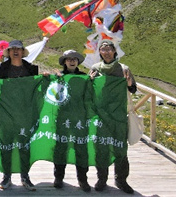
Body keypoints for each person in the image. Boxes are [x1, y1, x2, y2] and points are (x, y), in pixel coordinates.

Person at [89, 40, 136, 194]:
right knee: (101, 147)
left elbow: (133, 89)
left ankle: (121, 180)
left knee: (120, 148)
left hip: (119, 115)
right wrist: (89, 81)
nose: (106, 52)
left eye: (109, 49)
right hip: (101, 115)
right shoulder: (96, 68)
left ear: (115, 51)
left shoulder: (124, 69)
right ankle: (102, 179)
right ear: (100, 52)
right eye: (103, 49)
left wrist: (128, 81)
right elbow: (90, 91)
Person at [0, 39, 39, 190]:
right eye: (12, 49)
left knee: (24, 145)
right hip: (6, 113)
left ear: (22, 52)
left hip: (25, 113)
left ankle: (25, 177)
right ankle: (6, 177)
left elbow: (36, 88)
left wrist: (45, 79)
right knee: (6, 144)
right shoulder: (2, 68)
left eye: (18, 49)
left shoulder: (31, 68)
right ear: (8, 52)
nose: (15, 51)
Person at [53, 50, 92, 192]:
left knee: (81, 148)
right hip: (63, 117)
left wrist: (92, 81)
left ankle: (83, 179)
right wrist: (50, 78)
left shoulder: (84, 77)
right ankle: (58, 177)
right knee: (61, 147)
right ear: (64, 62)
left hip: (79, 117)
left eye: (74, 59)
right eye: (68, 59)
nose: (72, 61)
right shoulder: (59, 77)